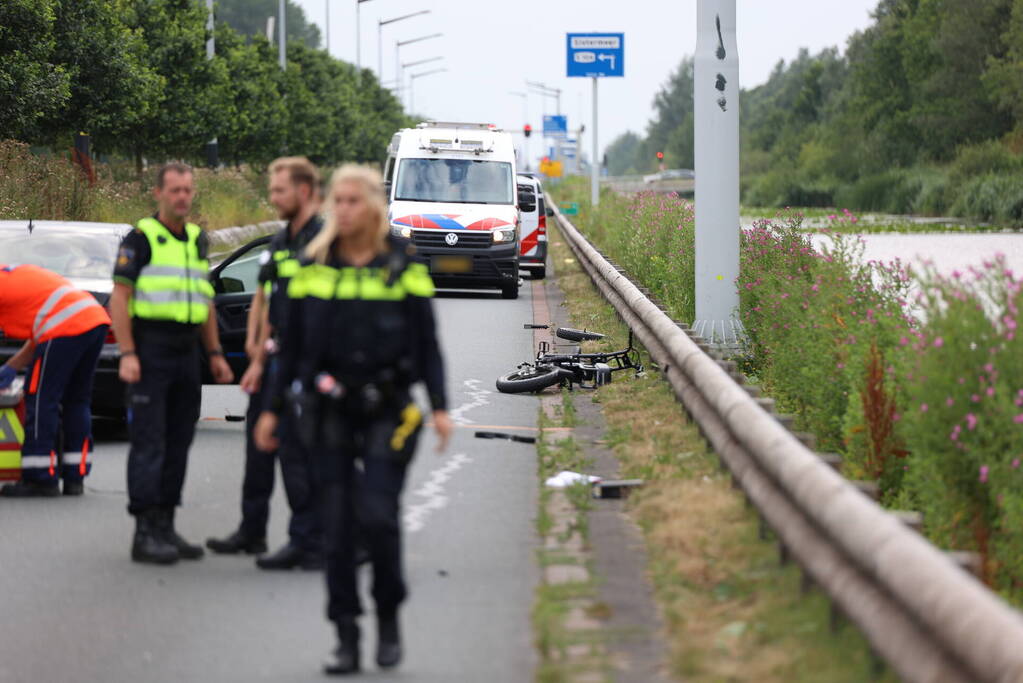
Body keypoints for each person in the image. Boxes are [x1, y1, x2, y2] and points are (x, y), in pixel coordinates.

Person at [254, 164, 452, 675]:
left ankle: (388, 615)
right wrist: (271, 409)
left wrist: (440, 406)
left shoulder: (402, 263)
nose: (342, 211)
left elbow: (427, 342)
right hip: (330, 413)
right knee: (338, 529)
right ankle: (346, 634)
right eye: (336, 202)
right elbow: (289, 349)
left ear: (373, 207)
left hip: (390, 410)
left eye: (352, 201)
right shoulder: (311, 266)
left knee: (380, 518)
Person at [108, 161, 234, 565]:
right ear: (159, 194)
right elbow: (120, 299)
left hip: (186, 353)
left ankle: (165, 524)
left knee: (179, 441)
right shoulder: (141, 238)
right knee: (150, 441)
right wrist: (128, 353)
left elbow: (204, 301)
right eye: (175, 190)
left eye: (187, 190)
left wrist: (215, 354)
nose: (182, 197)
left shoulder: (197, 239)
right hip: (150, 350)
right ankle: (144, 531)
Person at [207, 157, 325, 569]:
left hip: (304, 362)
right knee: (258, 444)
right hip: (274, 359)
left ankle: (307, 539)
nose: (273, 198)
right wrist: (255, 353)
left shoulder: (322, 242)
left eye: (279, 191)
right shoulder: (280, 240)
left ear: (304, 191)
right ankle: (252, 530)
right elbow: (263, 297)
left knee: (296, 451)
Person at [0, 264, 111, 497]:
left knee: (41, 398)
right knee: (76, 401)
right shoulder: (15, 278)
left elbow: (53, 327)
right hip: (94, 320)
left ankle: (40, 478)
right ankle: (74, 477)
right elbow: (41, 332)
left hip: (67, 328)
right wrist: (11, 367)